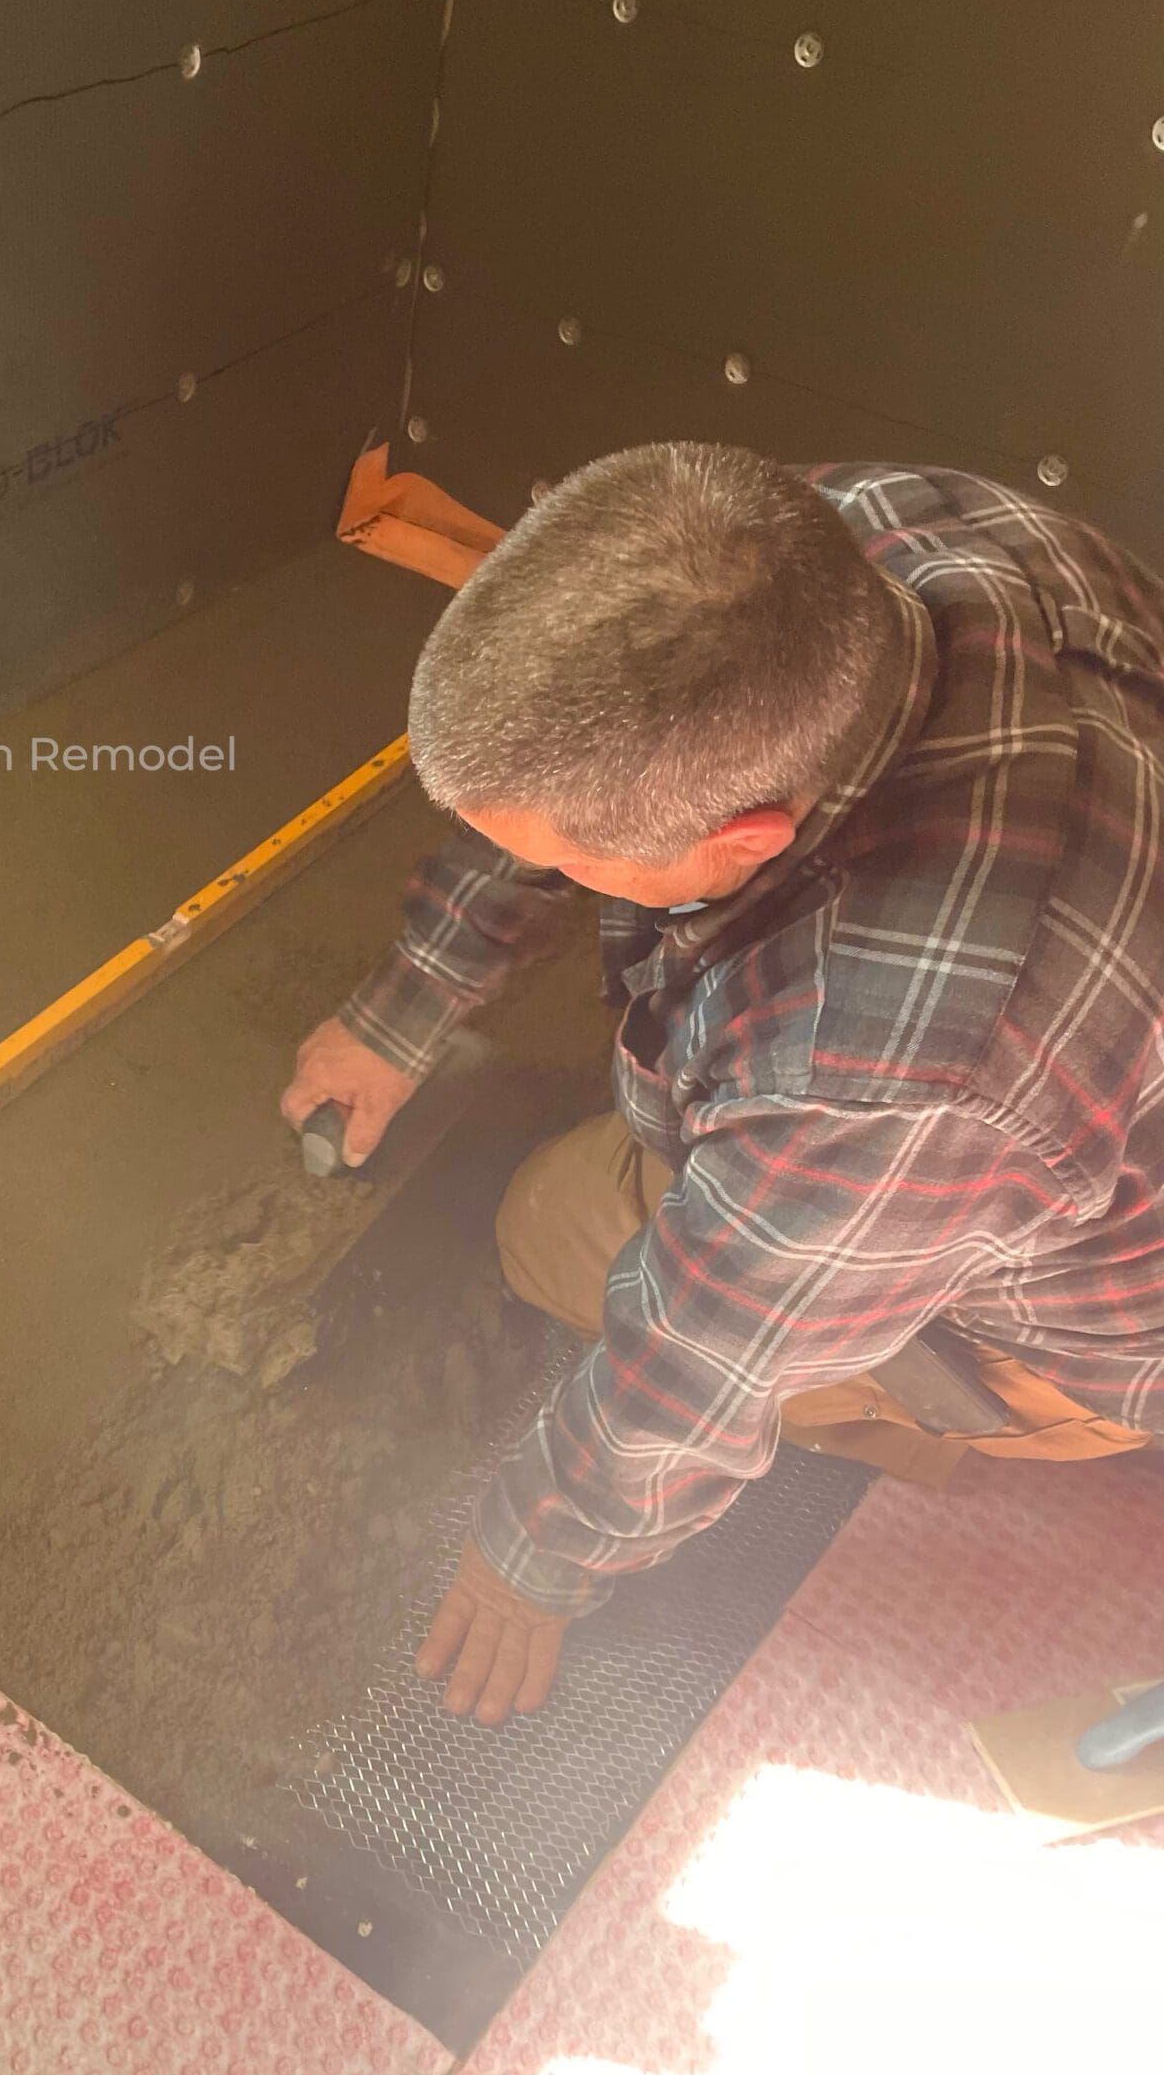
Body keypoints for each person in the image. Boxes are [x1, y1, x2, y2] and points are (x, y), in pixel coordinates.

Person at [282, 446, 1164, 1725]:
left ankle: (970, 1424)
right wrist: (403, 1008)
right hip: (1082, 1076)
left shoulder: (890, 1070)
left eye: (575, 866)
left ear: (746, 838)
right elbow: (560, 754)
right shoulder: (854, 535)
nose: (554, 874)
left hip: (1090, 1313)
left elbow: (693, 1379)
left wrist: (533, 1558)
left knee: (552, 1227)